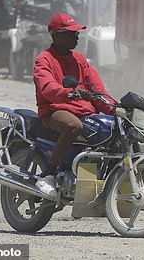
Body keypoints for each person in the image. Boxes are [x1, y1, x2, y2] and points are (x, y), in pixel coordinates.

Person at [33, 13, 113, 199]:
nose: (76, 37)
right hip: (55, 110)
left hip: (84, 112)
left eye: (76, 33)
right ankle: (49, 175)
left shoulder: (79, 60)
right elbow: (48, 88)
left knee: (112, 126)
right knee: (73, 126)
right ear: (55, 36)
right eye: (70, 34)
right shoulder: (43, 60)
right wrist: (68, 93)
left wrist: (114, 108)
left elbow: (97, 89)